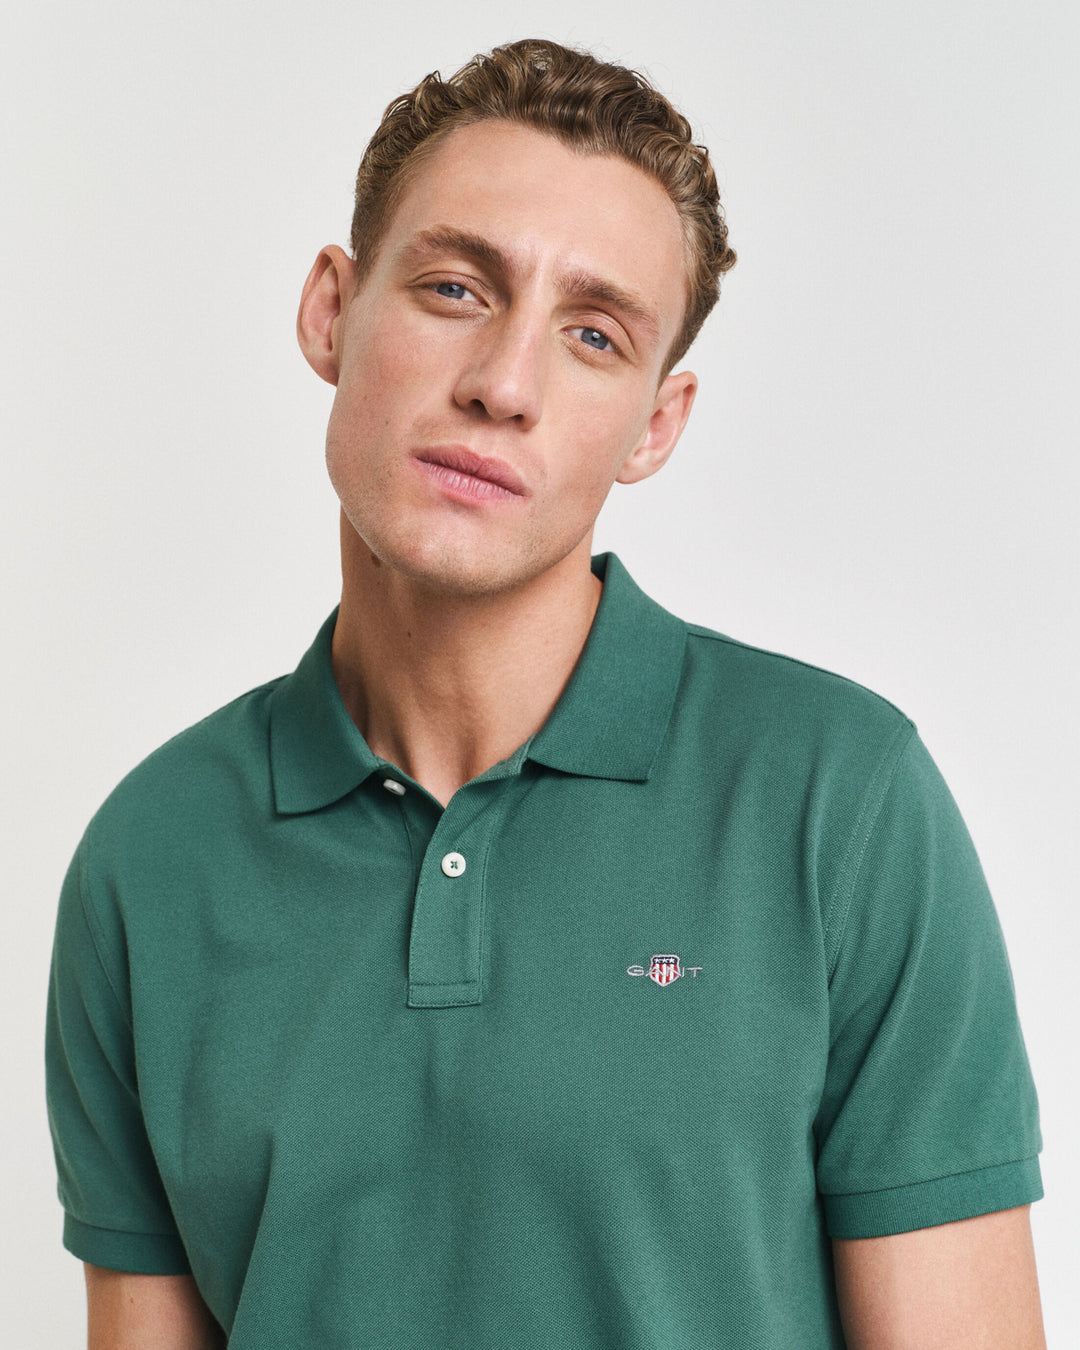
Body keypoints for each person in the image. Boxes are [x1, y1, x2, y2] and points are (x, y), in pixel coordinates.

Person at [46, 38, 1045, 1349]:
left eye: (592, 334)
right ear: (331, 311)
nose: (503, 385)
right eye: (455, 288)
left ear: (655, 425)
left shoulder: (839, 802)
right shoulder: (151, 855)